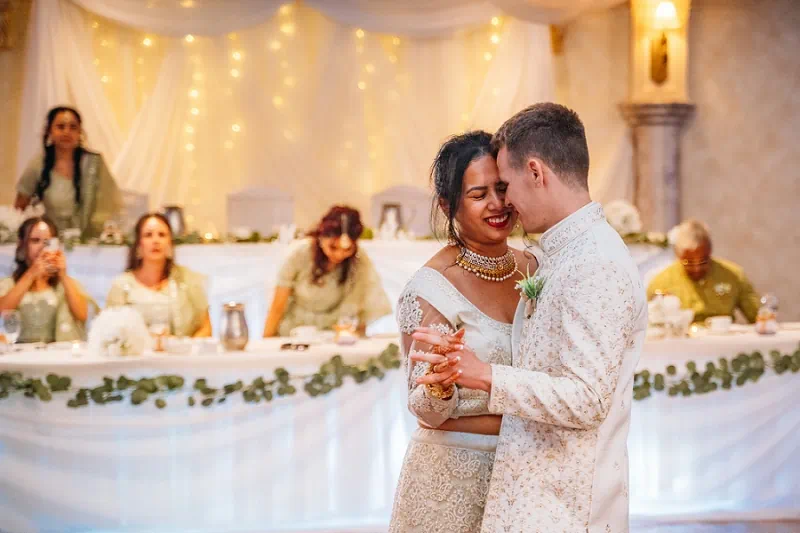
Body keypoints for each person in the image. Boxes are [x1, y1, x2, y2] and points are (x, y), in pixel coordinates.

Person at [413, 103, 647, 532]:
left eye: (506, 185)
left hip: (567, 502)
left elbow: (588, 399)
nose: (507, 203)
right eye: (483, 192)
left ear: (536, 173)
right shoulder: (560, 255)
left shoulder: (593, 263)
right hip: (529, 495)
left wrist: (485, 375)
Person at [388, 131, 537, 532]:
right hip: (452, 480)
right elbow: (425, 411)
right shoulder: (431, 288)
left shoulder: (537, 268)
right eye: (478, 194)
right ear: (447, 204)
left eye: (503, 188)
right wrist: (438, 386)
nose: (498, 204)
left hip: (531, 474)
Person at [262, 206, 392, 338]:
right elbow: (277, 306)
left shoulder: (359, 259)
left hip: (335, 335)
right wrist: (266, 342)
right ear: (322, 237)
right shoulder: (299, 253)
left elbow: (362, 304)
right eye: (333, 247)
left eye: (347, 249)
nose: (339, 254)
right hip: (295, 333)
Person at [14, 106, 123, 238]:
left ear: (79, 133)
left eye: (73, 127)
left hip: (90, 242)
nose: (67, 132)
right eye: (60, 127)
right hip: (50, 240)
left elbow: (110, 203)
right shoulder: (38, 165)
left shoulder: (94, 164)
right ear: (50, 132)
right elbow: (20, 207)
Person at [106, 213, 211, 337]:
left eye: (162, 235)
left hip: (180, 354)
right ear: (138, 244)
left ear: (170, 243)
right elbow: (109, 330)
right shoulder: (122, 285)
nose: (155, 241)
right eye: (148, 235)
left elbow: (206, 327)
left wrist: (187, 348)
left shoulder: (187, 280)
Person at [647, 219, 760, 323]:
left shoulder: (734, 275)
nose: (697, 268)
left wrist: (765, 316)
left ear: (710, 251)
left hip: (722, 342)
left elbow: (759, 317)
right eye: (689, 262)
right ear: (678, 255)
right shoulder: (661, 282)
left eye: (703, 261)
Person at [0, 216, 90, 343]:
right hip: (19, 356)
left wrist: (63, 275)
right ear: (22, 244)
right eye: (35, 241)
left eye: (47, 242)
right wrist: (31, 274)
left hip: (57, 357)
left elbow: (82, 315)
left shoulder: (66, 284)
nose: (42, 247)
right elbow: (3, 311)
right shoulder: (9, 284)